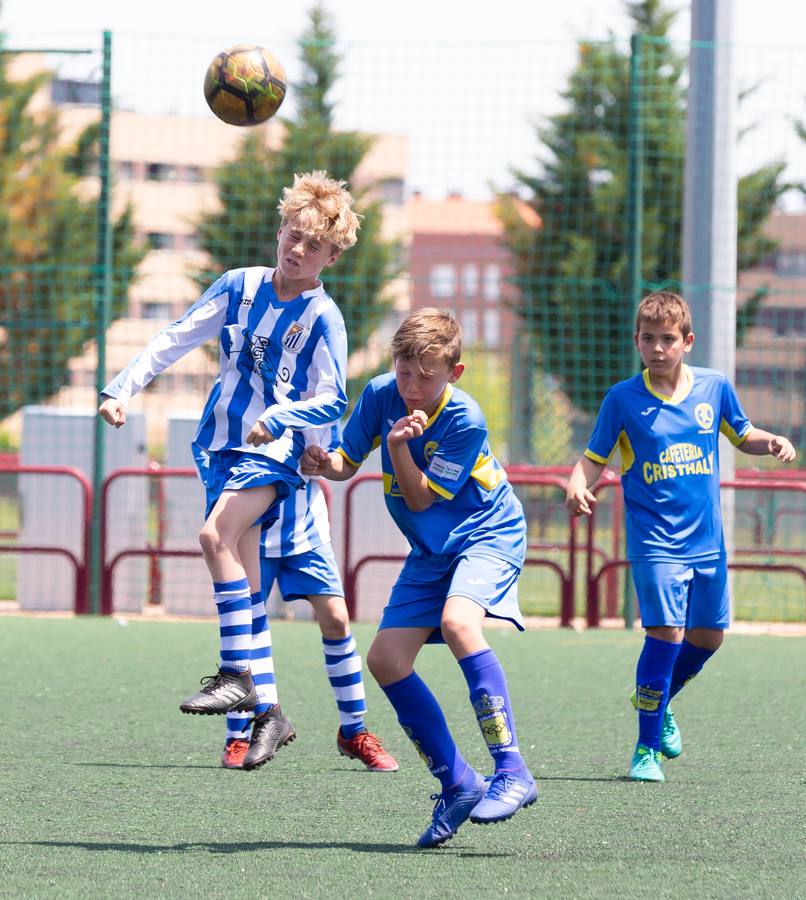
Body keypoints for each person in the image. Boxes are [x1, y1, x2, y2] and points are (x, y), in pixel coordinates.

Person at [99, 170, 358, 725]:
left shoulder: (324, 318)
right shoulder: (239, 286)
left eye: (314, 245)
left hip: (279, 451)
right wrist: (121, 387)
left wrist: (280, 418)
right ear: (281, 230)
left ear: (330, 257)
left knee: (215, 535)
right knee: (245, 575)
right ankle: (267, 713)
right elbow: (177, 335)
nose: (298, 248)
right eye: (293, 234)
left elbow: (335, 400)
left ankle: (237, 675)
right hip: (222, 446)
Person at [302, 308, 537, 850]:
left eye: (425, 376)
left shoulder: (465, 420)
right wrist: (322, 462)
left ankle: (512, 769)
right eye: (403, 371)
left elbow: (419, 497)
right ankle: (457, 782)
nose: (410, 386)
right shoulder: (382, 394)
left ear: (453, 373)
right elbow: (345, 461)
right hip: (433, 551)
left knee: (459, 624)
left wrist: (401, 446)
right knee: (385, 659)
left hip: (487, 535)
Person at [565, 291, 796, 783]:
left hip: (707, 540)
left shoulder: (713, 388)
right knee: (666, 632)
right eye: (648, 339)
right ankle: (645, 749)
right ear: (637, 342)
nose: (657, 348)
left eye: (667, 339)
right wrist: (577, 482)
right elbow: (594, 457)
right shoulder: (622, 399)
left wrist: (771, 439)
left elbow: (743, 432)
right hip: (655, 542)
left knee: (709, 636)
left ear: (687, 342)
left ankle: (659, 695)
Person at [189, 419, 398, 774]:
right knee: (249, 625)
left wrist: (320, 460)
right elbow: (209, 452)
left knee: (336, 619)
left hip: (305, 531)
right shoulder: (233, 395)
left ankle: (355, 731)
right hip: (252, 534)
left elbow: (334, 459)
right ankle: (238, 735)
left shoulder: (311, 397)